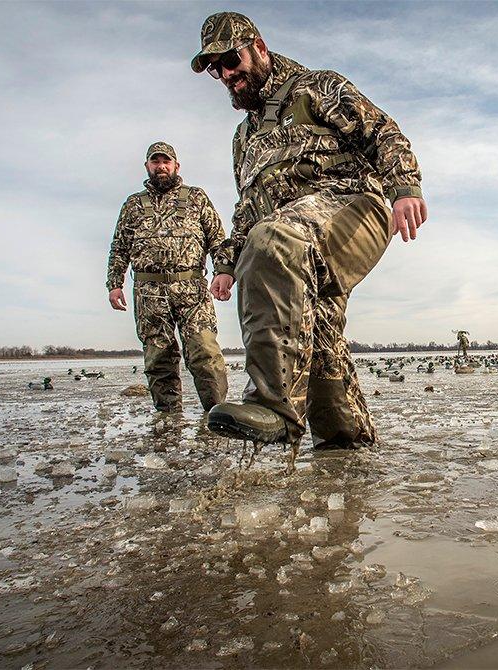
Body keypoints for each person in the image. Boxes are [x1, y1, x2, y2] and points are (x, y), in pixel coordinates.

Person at [192, 12, 427, 447]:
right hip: (293, 243)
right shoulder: (243, 140)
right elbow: (247, 207)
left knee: (273, 241)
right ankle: (346, 448)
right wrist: (227, 263)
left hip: (352, 207)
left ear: (258, 47)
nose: (225, 74)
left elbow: (382, 131)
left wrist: (404, 187)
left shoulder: (316, 86)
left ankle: (272, 404)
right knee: (319, 341)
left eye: (230, 59)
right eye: (214, 68)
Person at [107, 142, 230, 412]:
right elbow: (119, 247)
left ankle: (218, 414)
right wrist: (114, 284)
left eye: (166, 161)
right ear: (147, 166)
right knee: (158, 358)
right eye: (155, 161)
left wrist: (223, 271)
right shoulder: (133, 205)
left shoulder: (196, 197)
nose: (161, 166)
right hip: (149, 292)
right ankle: (168, 419)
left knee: (204, 352)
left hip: (192, 289)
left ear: (176, 166)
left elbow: (218, 240)